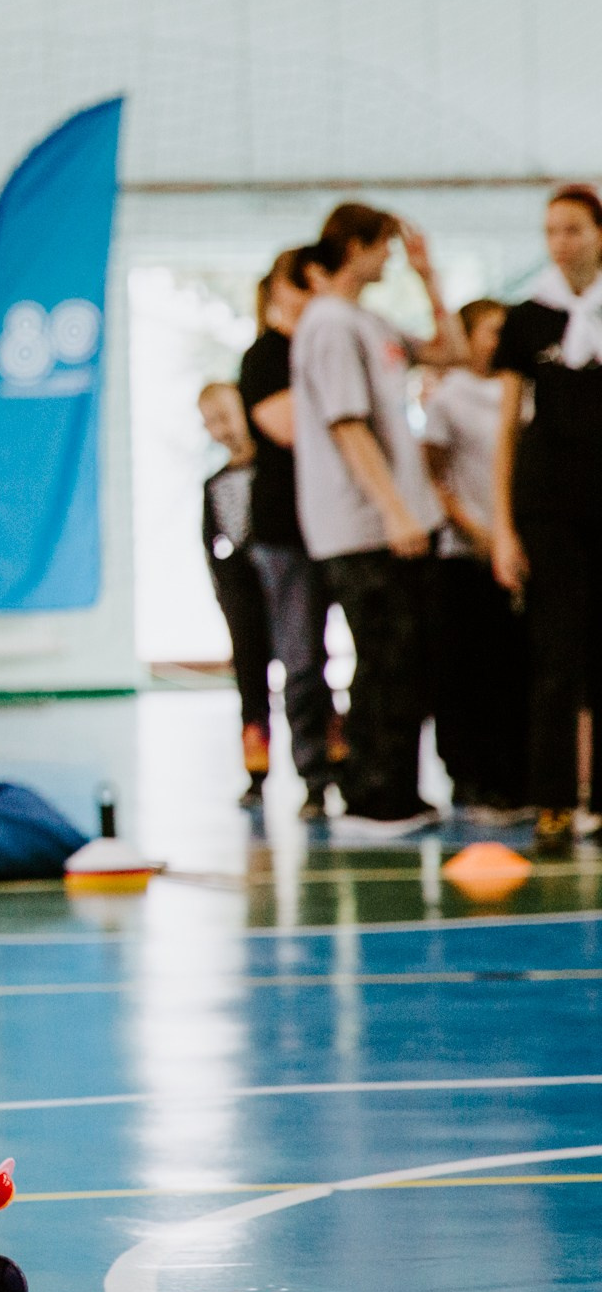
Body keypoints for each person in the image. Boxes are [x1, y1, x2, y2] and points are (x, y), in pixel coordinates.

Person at [289, 203, 461, 835]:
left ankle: (397, 791)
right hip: (361, 525)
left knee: (405, 655)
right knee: (384, 657)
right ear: (356, 246)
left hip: (393, 520)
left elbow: (453, 352)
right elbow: (345, 424)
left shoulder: (368, 321)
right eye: (385, 247)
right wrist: (394, 511)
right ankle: (371, 797)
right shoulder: (329, 324)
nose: (389, 257)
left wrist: (428, 278)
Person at [492, 185, 602, 853]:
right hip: (548, 509)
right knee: (556, 659)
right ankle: (554, 803)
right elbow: (506, 426)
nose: (562, 242)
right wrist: (503, 525)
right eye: (551, 231)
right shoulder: (528, 318)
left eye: (574, 229)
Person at [239, 247, 340, 816]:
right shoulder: (264, 357)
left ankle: (354, 763)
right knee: (301, 658)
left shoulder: (323, 348)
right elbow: (291, 430)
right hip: (286, 531)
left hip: (341, 524)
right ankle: (314, 778)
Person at [421, 299, 529, 820]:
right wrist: (475, 529)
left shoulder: (524, 392)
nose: (499, 340)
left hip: (516, 551)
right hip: (465, 552)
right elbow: (434, 475)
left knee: (513, 668)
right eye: (490, 331)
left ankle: (515, 777)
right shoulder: (449, 398)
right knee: (468, 670)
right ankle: (470, 778)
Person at [197, 380, 274, 807]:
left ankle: (327, 764)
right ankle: (257, 772)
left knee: (307, 671)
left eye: (225, 416)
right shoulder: (214, 484)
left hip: (280, 587)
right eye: (211, 423)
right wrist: (223, 592)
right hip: (240, 594)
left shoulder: (275, 471)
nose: (221, 429)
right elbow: (208, 545)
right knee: (251, 682)